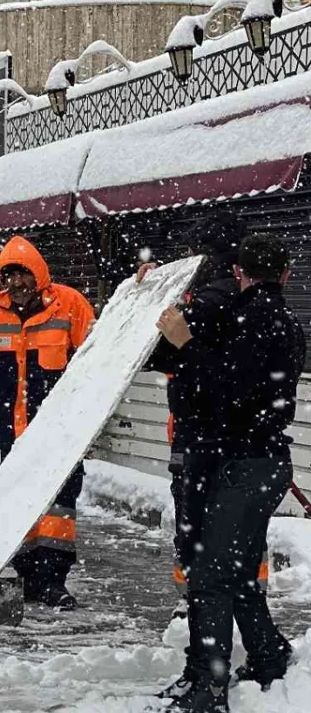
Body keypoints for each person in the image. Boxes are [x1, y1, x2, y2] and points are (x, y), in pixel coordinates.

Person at [156, 233, 303, 713]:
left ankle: (208, 688)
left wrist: (183, 341)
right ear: (286, 274)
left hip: (245, 466)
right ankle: (268, 657)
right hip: (263, 464)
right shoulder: (283, 321)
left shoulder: (251, 319)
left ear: (239, 273)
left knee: (209, 577)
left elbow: (229, 392)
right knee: (238, 575)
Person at [139, 213, 270, 695]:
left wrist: (152, 300)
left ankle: (206, 675)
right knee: (239, 563)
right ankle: (264, 655)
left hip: (204, 447)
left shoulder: (211, 302)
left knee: (204, 563)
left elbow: (158, 354)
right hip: (237, 450)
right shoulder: (252, 305)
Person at [0, 235, 95, 610]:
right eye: (9, 276)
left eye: (23, 275)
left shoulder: (70, 304)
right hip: (12, 427)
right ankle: (28, 575)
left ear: (38, 274)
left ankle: (53, 580)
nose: (17, 283)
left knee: (59, 504)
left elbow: (94, 354)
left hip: (59, 428)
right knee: (20, 502)